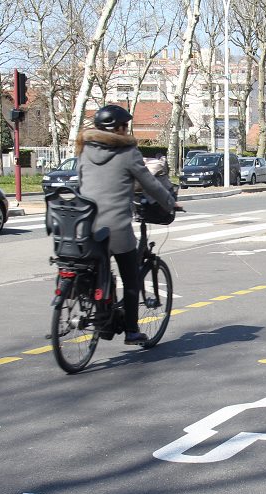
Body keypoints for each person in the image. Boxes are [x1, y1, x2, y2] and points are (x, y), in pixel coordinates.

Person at [74, 104, 177, 345]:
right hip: (115, 228)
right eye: (126, 126)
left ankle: (99, 308)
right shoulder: (127, 153)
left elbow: (82, 183)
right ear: (119, 128)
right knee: (131, 278)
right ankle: (131, 331)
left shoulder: (84, 150)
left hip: (85, 225)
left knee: (97, 267)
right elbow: (150, 183)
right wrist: (170, 202)